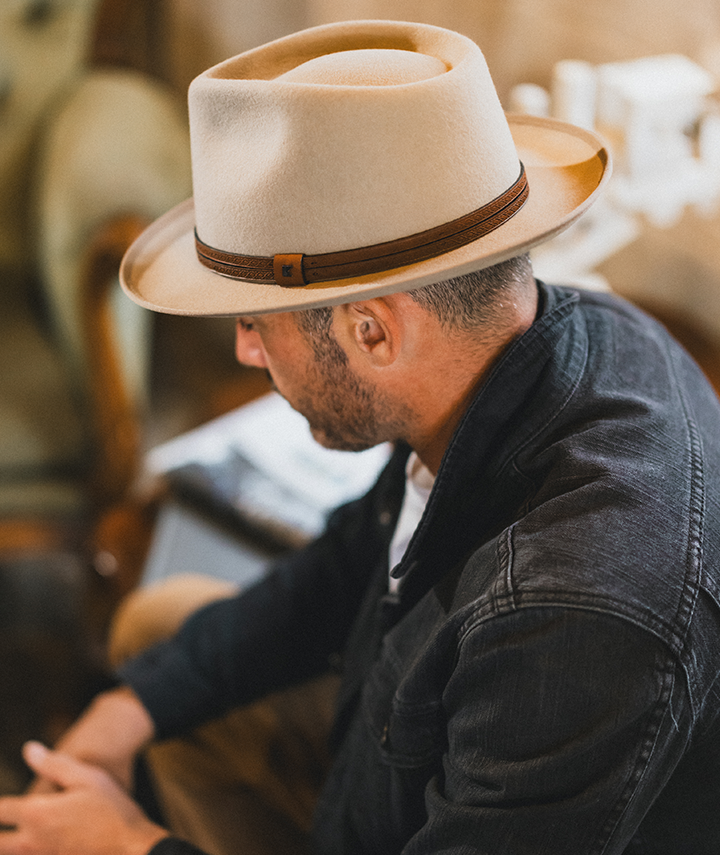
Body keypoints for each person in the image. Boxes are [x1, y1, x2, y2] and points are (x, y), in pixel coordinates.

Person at [1, 18, 720, 855]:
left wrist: (130, 845)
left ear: (374, 332)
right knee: (157, 626)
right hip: (400, 741)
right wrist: (128, 709)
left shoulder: (571, 620)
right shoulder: (561, 336)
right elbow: (357, 557)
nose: (243, 349)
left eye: (254, 322)